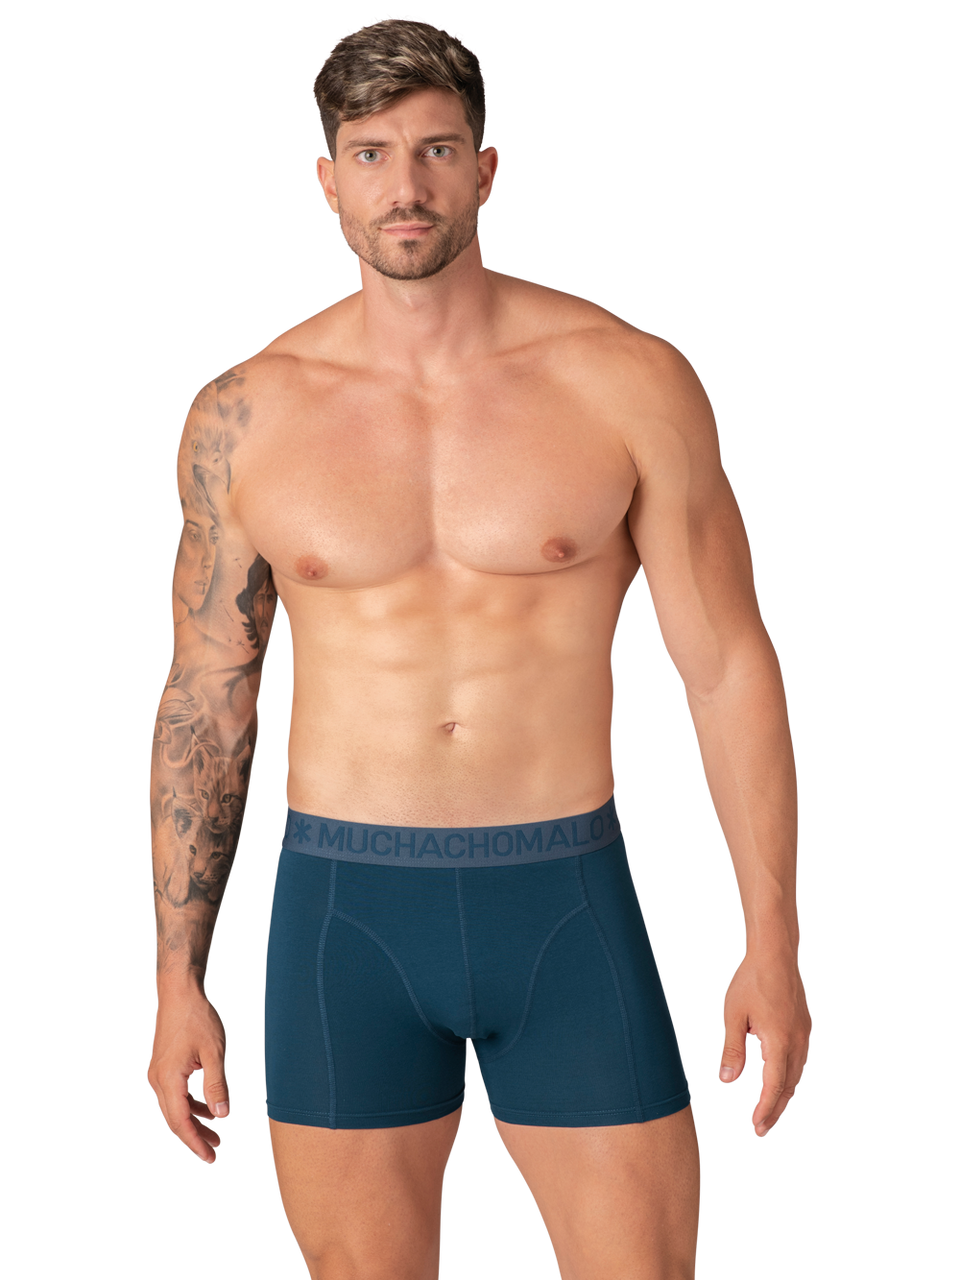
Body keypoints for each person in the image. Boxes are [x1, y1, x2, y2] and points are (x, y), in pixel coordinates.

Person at [146, 14, 813, 1279]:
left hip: (564, 895)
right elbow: (208, 696)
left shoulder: (627, 379)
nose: (406, 185)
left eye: (437, 149)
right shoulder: (246, 411)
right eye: (373, 153)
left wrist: (772, 939)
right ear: (327, 180)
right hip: (345, 911)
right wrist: (178, 976)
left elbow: (727, 665)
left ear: (487, 168)